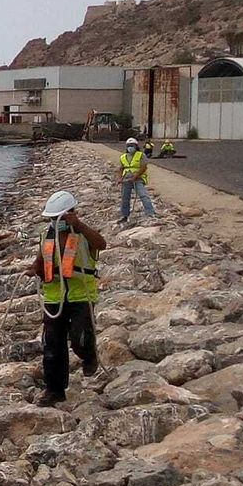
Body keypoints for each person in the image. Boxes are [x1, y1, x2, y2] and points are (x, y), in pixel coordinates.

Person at [29, 191, 107, 407]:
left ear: (71, 214)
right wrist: (33, 269)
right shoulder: (47, 237)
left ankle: (88, 355)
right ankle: (54, 390)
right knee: (52, 346)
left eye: (59, 218)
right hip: (55, 298)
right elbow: (40, 260)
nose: (55, 222)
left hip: (81, 295)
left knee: (80, 338)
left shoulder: (83, 235)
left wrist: (79, 225)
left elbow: (101, 244)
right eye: (52, 219)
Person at [119, 138, 156, 222]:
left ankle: (150, 213)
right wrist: (120, 178)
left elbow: (143, 167)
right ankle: (124, 215)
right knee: (125, 198)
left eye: (132, 146)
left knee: (143, 195)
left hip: (138, 179)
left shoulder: (141, 155)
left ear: (136, 146)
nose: (130, 147)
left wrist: (135, 177)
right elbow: (121, 168)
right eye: (128, 146)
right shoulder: (123, 156)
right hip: (126, 179)